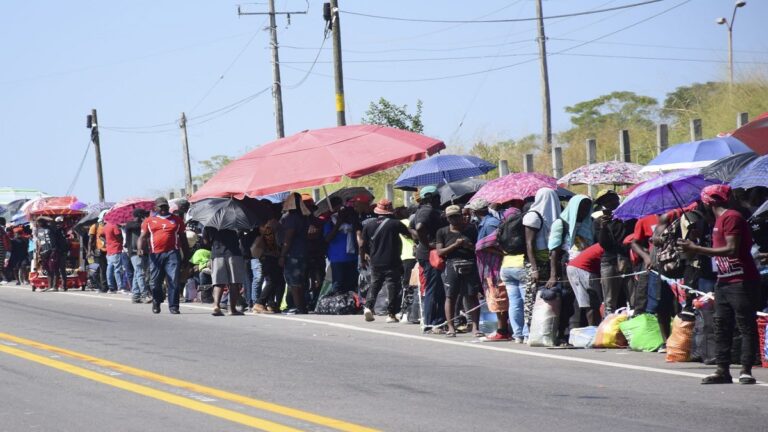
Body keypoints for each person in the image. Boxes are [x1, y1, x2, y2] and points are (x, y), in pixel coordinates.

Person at [677, 185, 760, 385]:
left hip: (741, 281)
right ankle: (722, 370)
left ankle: (746, 370)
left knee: (745, 325)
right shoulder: (718, 221)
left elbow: (731, 249)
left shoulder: (732, 217)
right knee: (721, 325)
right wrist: (697, 241)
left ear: (708, 203)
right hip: (723, 280)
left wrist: (696, 248)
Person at [547, 195, 594, 344]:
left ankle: (583, 332)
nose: (584, 210)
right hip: (567, 266)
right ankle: (562, 333)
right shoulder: (561, 223)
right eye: (581, 207)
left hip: (586, 266)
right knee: (568, 300)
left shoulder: (589, 222)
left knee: (585, 300)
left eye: (587, 207)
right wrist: (553, 275)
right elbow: (553, 250)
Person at [361, 199, 412, 323]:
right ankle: (391, 314)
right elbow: (409, 235)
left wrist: (363, 257)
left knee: (375, 285)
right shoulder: (396, 224)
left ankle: (368, 307)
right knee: (392, 286)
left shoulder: (368, 225)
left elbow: (362, 244)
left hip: (375, 261)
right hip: (392, 261)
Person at [435, 205, 482, 337]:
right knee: (451, 296)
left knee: (472, 295)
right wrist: (455, 245)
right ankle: (451, 327)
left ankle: (475, 327)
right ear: (447, 218)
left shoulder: (471, 229)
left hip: (470, 264)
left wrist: (468, 245)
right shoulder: (442, 232)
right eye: (451, 217)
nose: (454, 219)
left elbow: (478, 248)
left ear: (461, 216)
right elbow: (440, 252)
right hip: (451, 265)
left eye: (456, 216)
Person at [137, 197, 189, 315]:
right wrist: (140, 248)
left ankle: (174, 306)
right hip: (155, 254)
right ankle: (156, 300)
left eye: (165, 206)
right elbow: (143, 237)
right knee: (155, 282)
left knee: (173, 280)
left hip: (172, 253)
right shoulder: (149, 221)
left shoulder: (176, 220)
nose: (163, 209)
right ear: (155, 208)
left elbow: (183, 238)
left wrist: (186, 255)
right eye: (160, 207)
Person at [522, 188, 561, 342]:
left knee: (547, 297)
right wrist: (534, 269)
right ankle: (528, 331)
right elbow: (529, 244)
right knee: (532, 297)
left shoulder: (555, 217)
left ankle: (544, 330)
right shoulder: (533, 216)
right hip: (536, 263)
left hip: (548, 261)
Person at [411, 186, 447, 333]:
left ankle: (438, 320)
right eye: (438, 197)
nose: (440, 200)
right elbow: (418, 228)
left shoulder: (421, 210)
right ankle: (431, 322)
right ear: (431, 198)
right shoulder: (427, 210)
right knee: (433, 288)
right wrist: (428, 243)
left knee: (437, 288)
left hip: (427, 253)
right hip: (430, 255)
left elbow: (411, 228)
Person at [594, 190, 633, 314]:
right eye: (607, 201)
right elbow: (603, 244)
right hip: (609, 261)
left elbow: (630, 237)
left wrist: (621, 221)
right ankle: (608, 329)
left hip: (627, 259)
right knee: (610, 301)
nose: (611, 203)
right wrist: (604, 227)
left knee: (633, 297)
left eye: (613, 199)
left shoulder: (628, 217)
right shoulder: (598, 221)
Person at [279, 193, 310, 314]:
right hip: (303, 252)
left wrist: (282, 255)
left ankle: (300, 308)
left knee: (294, 283)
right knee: (300, 282)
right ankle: (302, 306)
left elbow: (288, 238)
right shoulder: (304, 217)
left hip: (293, 254)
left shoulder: (290, 218)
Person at [205, 227, 246, 317]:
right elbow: (240, 236)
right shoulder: (235, 221)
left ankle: (216, 305)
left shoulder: (210, 222)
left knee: (218, 282)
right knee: (235, 282)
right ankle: (232, 309)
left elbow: (205, 241)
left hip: (217, 253)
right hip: (233, 253)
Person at [254, 203, 285, 313]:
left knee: (277, 281)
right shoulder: (273, 223)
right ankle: (260, 302)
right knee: (273, 280)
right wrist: (276, 251)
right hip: (271, 256)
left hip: (267, 256)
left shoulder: (266, 223)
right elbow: (269, 237)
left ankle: (271, 304)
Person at [324, 199, 359, 295]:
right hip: (337, 259)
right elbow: (328, 238)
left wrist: (351, 217)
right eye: (338, 207)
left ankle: (351, 305)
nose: (341, 209)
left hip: (352, 257)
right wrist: (339, 222)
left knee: (352, 285)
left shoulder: (351, 219)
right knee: (338, 285)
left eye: (342, 206)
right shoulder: (330, 222)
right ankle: (339, 305)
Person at [566, 243, 604, 326]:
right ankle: (592, 331)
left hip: (577, 267)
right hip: (581, 268)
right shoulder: (608, 245)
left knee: (592, 303)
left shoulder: (602, 244)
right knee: (591, 303)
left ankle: (594, 328)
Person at [303, 194, 327, 310]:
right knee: (307, 280)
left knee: (318, 279)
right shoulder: (301, 222)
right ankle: (309, 301)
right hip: (307, 254)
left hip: (316, 254)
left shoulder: (318, 221)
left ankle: (315, 301)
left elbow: (321, 236)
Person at [124, 209, 150, 303]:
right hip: (134, 252)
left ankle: (135, 296)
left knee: (137, 273)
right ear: (139, 216)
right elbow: (137, 225)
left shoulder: (141, 224)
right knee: (140, 273)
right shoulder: (130, 224)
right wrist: (145, 220)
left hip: (141, 252)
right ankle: (144, 294)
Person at [88, 211, 109, 292]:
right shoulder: (95, 226)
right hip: (98, 251)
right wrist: (89, 251)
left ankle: (105, 287)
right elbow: (90, 240)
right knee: (96, 270)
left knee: (105, 270)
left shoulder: (108, 225)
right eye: (105, 215)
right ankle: (100, 286)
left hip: (108, 251)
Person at [103, 218, 125, 294]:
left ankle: (111, 287)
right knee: (117, 269)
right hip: (116, 248)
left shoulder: (106, 226)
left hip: (109, 249)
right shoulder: (114, 225)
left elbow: (101, 235)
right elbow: (119, 236)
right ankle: (120, 287)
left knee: (110, 268)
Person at [48, 217, 70, 291]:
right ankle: (59, 286)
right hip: (59, 252)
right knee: (59, 269)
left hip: (59, 252)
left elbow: (56, 243)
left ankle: (60, 286)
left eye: (61, 222)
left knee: (59, 269)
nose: (60, 224)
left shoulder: (60, 231)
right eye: (59, 222)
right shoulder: (61, 231)